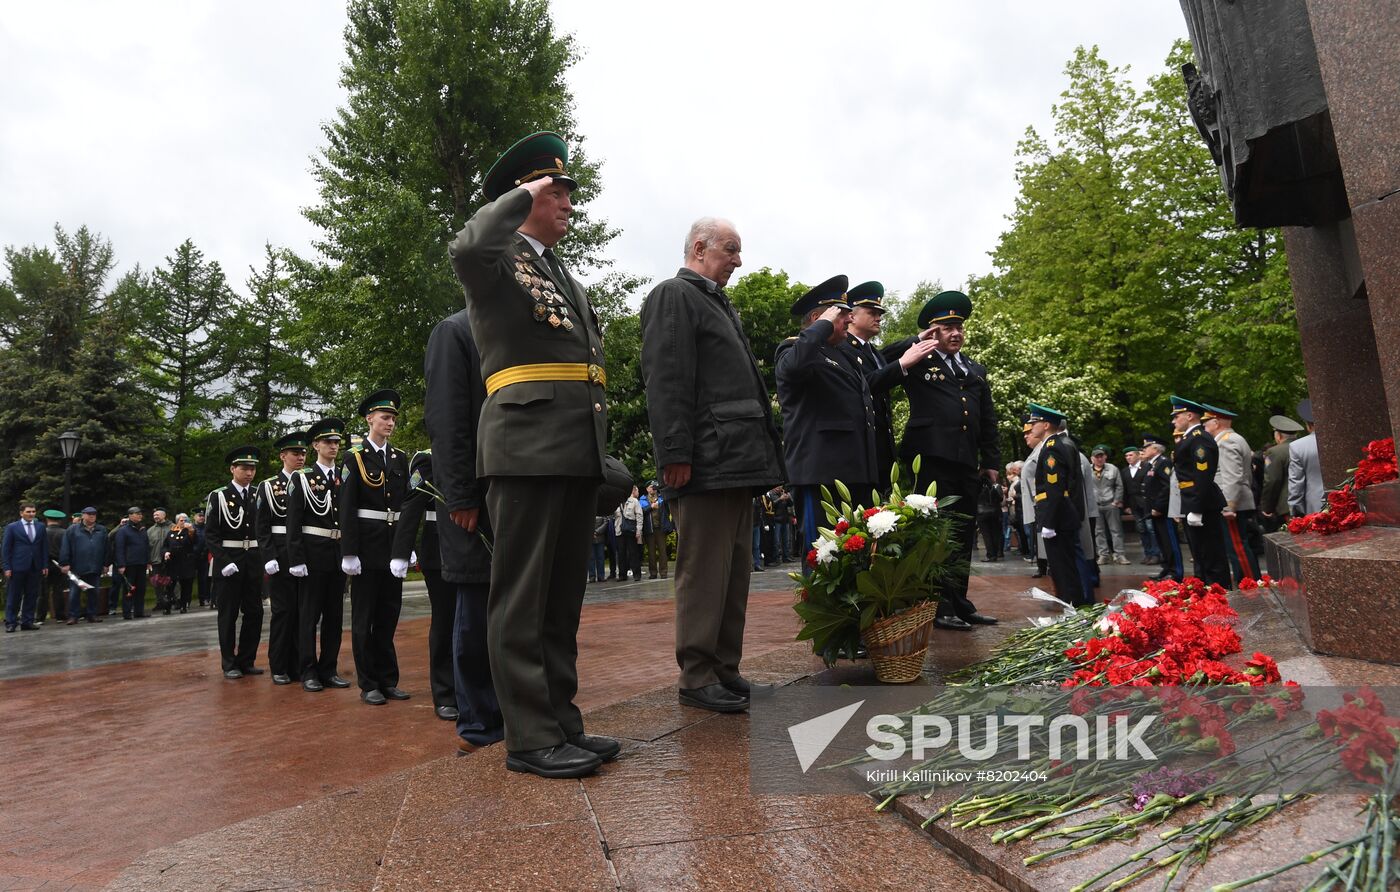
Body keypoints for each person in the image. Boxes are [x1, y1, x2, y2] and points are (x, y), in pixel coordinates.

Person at [447, 131, 616, 777]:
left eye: (568, 190)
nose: (569, 202)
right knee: (521, 600)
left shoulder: (556, 269)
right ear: (523, 198)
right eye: (557, 191)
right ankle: (528, 739)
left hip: (572, 449)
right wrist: (519, 197)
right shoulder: (498, 259)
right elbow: (466, 244)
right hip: (524, 448)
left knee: (559, 601)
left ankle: (561, 723)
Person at [640, 215, 786, 714]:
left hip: (737, 460)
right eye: (731, 250)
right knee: (704, 573)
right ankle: (698, 676)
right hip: (704, 460)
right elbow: (667, 379)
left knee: (733, 572)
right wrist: (674, 454)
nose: (739, 261)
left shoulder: (716, 300)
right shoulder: (674, 296)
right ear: (699, 248)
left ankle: (726, 667)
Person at [883, 290, 1001, 630]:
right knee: (936, 534)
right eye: (947, 327)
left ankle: (959, 601)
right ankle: (938, 604)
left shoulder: (974, 369)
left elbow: (988, 419)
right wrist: (916, 340)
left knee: (963, 533)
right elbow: (879, 360)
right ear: (933, 331)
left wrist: (991, 460)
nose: (955, 333)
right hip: (931, 459)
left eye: (958, 327)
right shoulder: (920, 359)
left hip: (966, 461)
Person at [423, 309, 505, 751]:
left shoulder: (513, 322)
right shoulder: (455, 331)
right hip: (477, 497)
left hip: (516, 490)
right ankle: (479, 722)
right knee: (475, 612)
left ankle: (513, 711)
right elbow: (446, 421)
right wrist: (460, 496)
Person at [776, 276, 881, 553]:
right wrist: (822, 326)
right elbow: (794, 368)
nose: (848, 320)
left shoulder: (844, 355)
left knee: (856, 559)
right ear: (817, 317)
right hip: (820, 475)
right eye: (841, 314)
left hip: (856, 473)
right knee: (823, 558)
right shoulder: (794, 349)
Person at [340, 390, 412, 706]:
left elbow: (406, 506)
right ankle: (368, 682)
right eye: (385, 417)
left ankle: (388, 679)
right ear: (370, 419)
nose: (390, 422)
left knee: (388, 615)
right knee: (364, 617)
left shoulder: (400, 458)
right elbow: (346, 508)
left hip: (392, 547)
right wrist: (349, 551)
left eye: (393, 418)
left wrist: (406, 546)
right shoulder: (353, 458)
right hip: (366, 549)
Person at [391, 450, 459, 721]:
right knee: (444, 622)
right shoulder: (429, 458)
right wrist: (401, 550)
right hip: (439, 551)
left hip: (474, 549)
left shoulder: (479, 449)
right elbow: (413, 504)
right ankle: (445, 694)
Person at [286, 417, 352, 694]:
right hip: (313, 555)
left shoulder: (345, 476)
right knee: (309, 615)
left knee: (334, 616)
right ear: (315, 445)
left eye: (337, 442)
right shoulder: (302, 479)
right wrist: (296, 558)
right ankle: (308, 670)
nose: (333, 446)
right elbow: (293, 523)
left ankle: (329, 668)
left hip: (338, 554)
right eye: (328, 442)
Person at [844, 281, 917, 492]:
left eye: (880, 313)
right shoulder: (843, 347)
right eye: (872, 312)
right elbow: (864, 384)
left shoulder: (874, 353)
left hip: (881, 447)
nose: (879, 317)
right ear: (852, 315)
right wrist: (902, 364)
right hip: (859, 448)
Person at [206, 446, 266, 679]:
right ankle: (229, 663)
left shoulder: (258, 494)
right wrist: (223, 560)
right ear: (233, 469)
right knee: (228, 614)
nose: (249, 472)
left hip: (252, 559)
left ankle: (246, 659)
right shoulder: (219, 496)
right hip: (229, 561)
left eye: (252, 468)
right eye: (244, 468)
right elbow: (211, 534)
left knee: (255, 612)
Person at [257, 431, 308, 685]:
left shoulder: (309, 482)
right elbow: (262, 525)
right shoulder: (268, 486)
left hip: (303, 555)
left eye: (303, 453)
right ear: (283, 456)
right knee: (283, 612)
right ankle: (279, 666)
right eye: (295, 453)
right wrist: (268, 555)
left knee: (302, 612)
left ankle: (298, 664)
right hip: (280, 554)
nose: (300, 457)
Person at [1028, 405, 1088, 607]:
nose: (1031, 426)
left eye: (1034, 422)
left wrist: (1049, 522)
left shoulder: (1052, 446)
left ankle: (1071, 605)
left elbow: (1055, 487)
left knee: (1062, 567)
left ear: (1046, 425)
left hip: (1058, 516)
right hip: (1062, 514)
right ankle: (1072, 603)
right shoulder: (1060, 443)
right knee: (1064, 566)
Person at [1170, 397, 1231, 588]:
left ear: (1189, 415)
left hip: (1202, 503)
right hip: (1193, 501)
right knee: (1200, 555)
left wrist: (1196, 508)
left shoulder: (1199, 438)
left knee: (1211, 555)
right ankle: (1205, 595)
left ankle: (1219, 595)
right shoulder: (1190, 438)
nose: (1173, 421)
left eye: (1176, 416)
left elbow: (1202, 475)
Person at [1202, 404, 1261, 582]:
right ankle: (1250, 582)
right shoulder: (1232, 438)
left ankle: (1250, 585)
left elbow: (1232, 476)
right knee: (1238, 546)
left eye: (1206, 423)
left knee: (1237, 547)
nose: (1204, 427)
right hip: (1237, 501)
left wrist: (1229, 505)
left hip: (1232, 504)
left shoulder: (1226, 441)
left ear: (1216, 422)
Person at [3, 502, 49, 632]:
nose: (31, 514)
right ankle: (11, 622)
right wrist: (7, 567)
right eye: (28, 512)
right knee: (14, 596)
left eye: (33, 512)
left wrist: (44, 564)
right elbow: (6, 549)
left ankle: (27, 622)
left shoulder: (40, 527)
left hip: (35, 566)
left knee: (32, 595)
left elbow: (44, 547)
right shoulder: (12, 527)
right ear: (21, 513)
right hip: (16, 567)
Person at [59, 507, 106, 623]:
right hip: (77, 567)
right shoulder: (72, 530)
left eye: (94, 514)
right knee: (74, 593)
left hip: (95, 566)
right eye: (89, 514)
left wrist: (106, 564)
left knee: (94, 592)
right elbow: (65, 547)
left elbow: (106, 548)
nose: (92, 516)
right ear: (83, 516)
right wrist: (64, 563)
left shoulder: (101, 530)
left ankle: (92, 614)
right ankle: (73, 616)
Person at [1259, 414, 1304, 532]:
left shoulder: (1275, 452)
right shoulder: (1304, 446)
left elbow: (1272, 480)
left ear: (1278, 435)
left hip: (1287, 506)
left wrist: (1267, 507)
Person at [1087, 445, 1128, 565]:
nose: (1099, 459)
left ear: (1105, 457)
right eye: (1097, 457)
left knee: (1116, 530)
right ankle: (1103, 555)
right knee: (1098, 531)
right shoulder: (1087, 469)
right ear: (1092, 459)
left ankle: (1120, 554)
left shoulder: (1113, 468)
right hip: (1095, 505)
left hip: (1111, 503)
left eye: (1101, 456)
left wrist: (1117, 500)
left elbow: (1119, 485)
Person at [1122, 446, 1161, 564]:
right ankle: (1147, 553)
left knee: (1151, 528)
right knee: (1141, 529)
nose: (1128, 458)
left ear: (1138, 455)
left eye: (1131, 455)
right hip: (1134, 504)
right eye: (1126, 456)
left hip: (1146, 502)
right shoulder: (1124, 471)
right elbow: (1125, 489)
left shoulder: (1147, 466)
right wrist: (1126, 505)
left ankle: (1156, 554)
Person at [1287, 398, 1323, 516]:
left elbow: (1296, 483)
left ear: (1307, 424)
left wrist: (1295, 511)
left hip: (1315, 507)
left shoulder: (1297, 447)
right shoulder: (1343, 440)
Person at [113, 507, 150, 620]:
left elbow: (146, 546)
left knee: (141, 588)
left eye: (140, 514)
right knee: (129, 589)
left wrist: (148, 560)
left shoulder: (142, 529)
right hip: (129, 564)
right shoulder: (123, 530)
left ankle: (139, 611)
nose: (139, 516)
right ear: (130, 515)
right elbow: (119, 548)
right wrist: (121, 564)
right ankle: (127, 612)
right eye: (137, 514)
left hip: (141, 563)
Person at [161, 514, 198, 613]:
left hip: (185, 562)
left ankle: (183, 605)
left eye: (185, 520)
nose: (183, 522)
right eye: (181, 520)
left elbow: (194, 542)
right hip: (173, 563)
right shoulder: (171, 532)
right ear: (177, 522)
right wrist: (166, 552)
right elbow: (165, 545)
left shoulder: (190, 532)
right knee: (170, 585)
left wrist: (191, 530)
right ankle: (167, 606)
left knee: (186, 584)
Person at [39, 510, 68, 623]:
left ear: (47, 519)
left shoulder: (41, 532)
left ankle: (40, 617)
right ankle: (60, 616)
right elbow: (66, 550)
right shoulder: (64, 533)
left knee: (42, 592)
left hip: (44, 565)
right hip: (59, 565)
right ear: (59, 520)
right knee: (58, 591)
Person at [641, 482, 672, 579]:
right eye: (651, 487)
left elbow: (668, 510)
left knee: (663, 551)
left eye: (655, 487)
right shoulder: (642, 500)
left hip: (661, 529)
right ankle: (653, 573)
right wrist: (651, 507)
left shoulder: (662, 498)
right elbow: (641, 512)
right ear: (647, 489)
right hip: (649, 529)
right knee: (651, 553)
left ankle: (663, 573)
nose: (653, 489)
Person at [145, 508, 173, 612]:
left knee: (171, 582)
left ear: (164, 515)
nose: (155, 517)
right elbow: (147, 546)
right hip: (155, 560)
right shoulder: (150, 530)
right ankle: (160, 602)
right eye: (154, 515)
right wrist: (148, 561)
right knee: (156, 583)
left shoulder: (173, 527)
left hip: (169, 560)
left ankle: (172, 600)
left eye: (158, 515)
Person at [616, 486, 643, 580]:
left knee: (633, 552)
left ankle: (637, 574)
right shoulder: (616, 502)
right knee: (621, 553)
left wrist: (638, 531)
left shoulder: (634, 501)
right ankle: (622, 575)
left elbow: (639, 516)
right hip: (619, 530)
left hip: (630, 530)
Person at [192, 510, 210, 607]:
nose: (201, 518)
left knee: (204, 579)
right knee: (190, 578)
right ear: (194, 517)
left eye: (203, 516)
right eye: (199, 516)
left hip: (204, 556)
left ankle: (204, 598)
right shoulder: (191, 528)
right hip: (194, 556)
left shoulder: (207, 527)